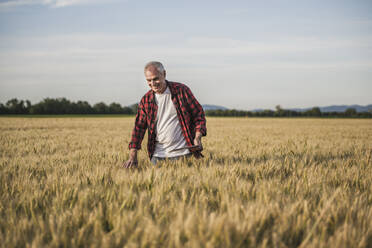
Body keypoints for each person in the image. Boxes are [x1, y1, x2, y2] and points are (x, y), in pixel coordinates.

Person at [123, 61, 207, 168]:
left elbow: (198, 115)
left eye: (156, 78)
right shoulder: (146, 100)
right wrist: (132, 155)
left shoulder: (181, 91)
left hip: (184, 153)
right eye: (149, 80)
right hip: (157, 156)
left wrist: (198, 137)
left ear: (164, 74)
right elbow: (139, 128)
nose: (152, 83)